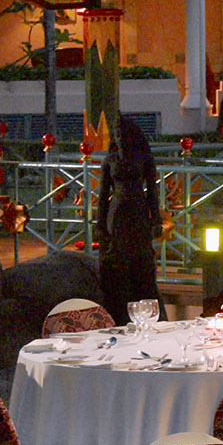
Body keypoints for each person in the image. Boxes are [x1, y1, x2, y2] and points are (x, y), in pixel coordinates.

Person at [94, 119, 163, 314]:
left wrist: (156, 220)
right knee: (117, 258)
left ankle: (143, 303)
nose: (120, 139)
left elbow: (152, 192)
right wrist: (99, 224)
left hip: (138, 210)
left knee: (140, 257)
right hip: (116, 213)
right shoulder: (110, 160)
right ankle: (118, 306)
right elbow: (102, 196)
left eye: (123, 135)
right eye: (117, 135)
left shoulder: (144, 159)